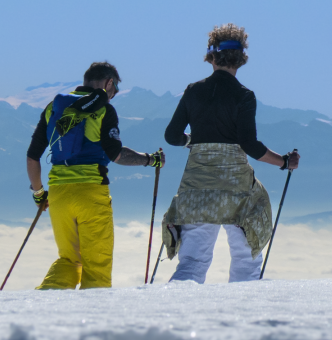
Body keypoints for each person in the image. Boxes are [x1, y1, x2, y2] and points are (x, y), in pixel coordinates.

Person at [162, 23, 300, 283]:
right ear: (240, 59)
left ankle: (173, 316)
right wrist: (284, 162)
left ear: (211, 57)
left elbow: (171, 136)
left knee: (192, 261)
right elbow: (250, 145)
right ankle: (244, 318)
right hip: (237, 192)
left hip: (197, 189)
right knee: (247, 259)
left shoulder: (193, 91)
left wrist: (193, 140)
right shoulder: (244, 95)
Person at [26, 61, 165, 289]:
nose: (114, 95)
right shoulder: (104, 110)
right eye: (115, 89)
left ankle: (41, 312)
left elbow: (32, 158)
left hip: (59, 195)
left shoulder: (54, 107)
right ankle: (91, 322)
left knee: (69, 261)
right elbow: (116, 155)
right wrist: (150, 160)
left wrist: (40, 194)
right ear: (108, 82)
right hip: (91, 193)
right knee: (97, 266)